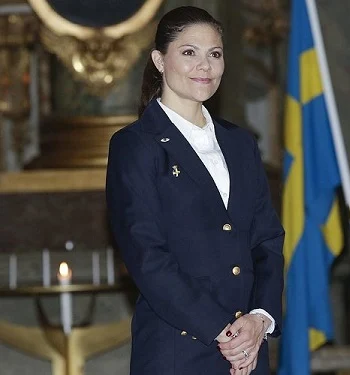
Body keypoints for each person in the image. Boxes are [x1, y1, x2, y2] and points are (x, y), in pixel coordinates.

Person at [105, 6, 284, 375]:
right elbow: (146, 256)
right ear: (159, 59)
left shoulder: (240, 143)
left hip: (249, 353)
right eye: (189, 52)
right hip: (178, 353)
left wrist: (260, 318)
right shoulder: (136, 145)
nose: (205, 66)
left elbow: (266, 240)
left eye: (214, 54)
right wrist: (224, 332)